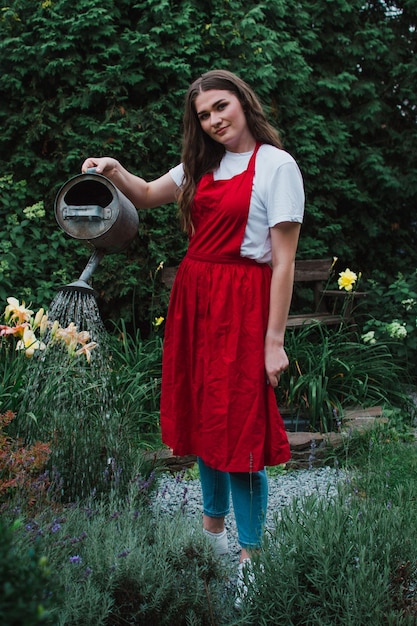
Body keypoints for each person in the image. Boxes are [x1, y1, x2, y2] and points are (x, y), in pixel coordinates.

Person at [82, 69, 304, 605]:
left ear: (244, 102)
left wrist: (274, 341)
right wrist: (116, 171)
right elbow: (149, 193)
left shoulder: (277, 166)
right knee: (205, 417)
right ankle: (211, 540)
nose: (214, 120)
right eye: (204, 115)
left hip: (243, 303)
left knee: (242, 427)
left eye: (221, 107)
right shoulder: (201, 163)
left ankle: (251, 557)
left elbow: (284, 263)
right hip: (197, 300)